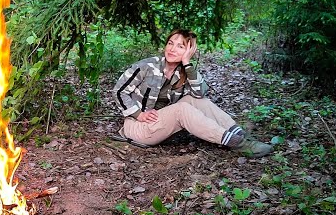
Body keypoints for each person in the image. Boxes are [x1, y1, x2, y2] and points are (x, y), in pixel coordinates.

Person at [111, 28, 273, 158]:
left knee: (196, 101)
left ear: (189, 51)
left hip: (160, 125)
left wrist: (187, 63)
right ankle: (238, 144)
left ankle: (240, 134)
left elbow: (200, 93)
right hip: (137, 127)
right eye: (170, 43)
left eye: (180, 46)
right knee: (181, 109)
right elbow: (119, 91)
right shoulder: (146, 66)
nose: (172, 49)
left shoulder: (183, 73)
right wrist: (139, 114)